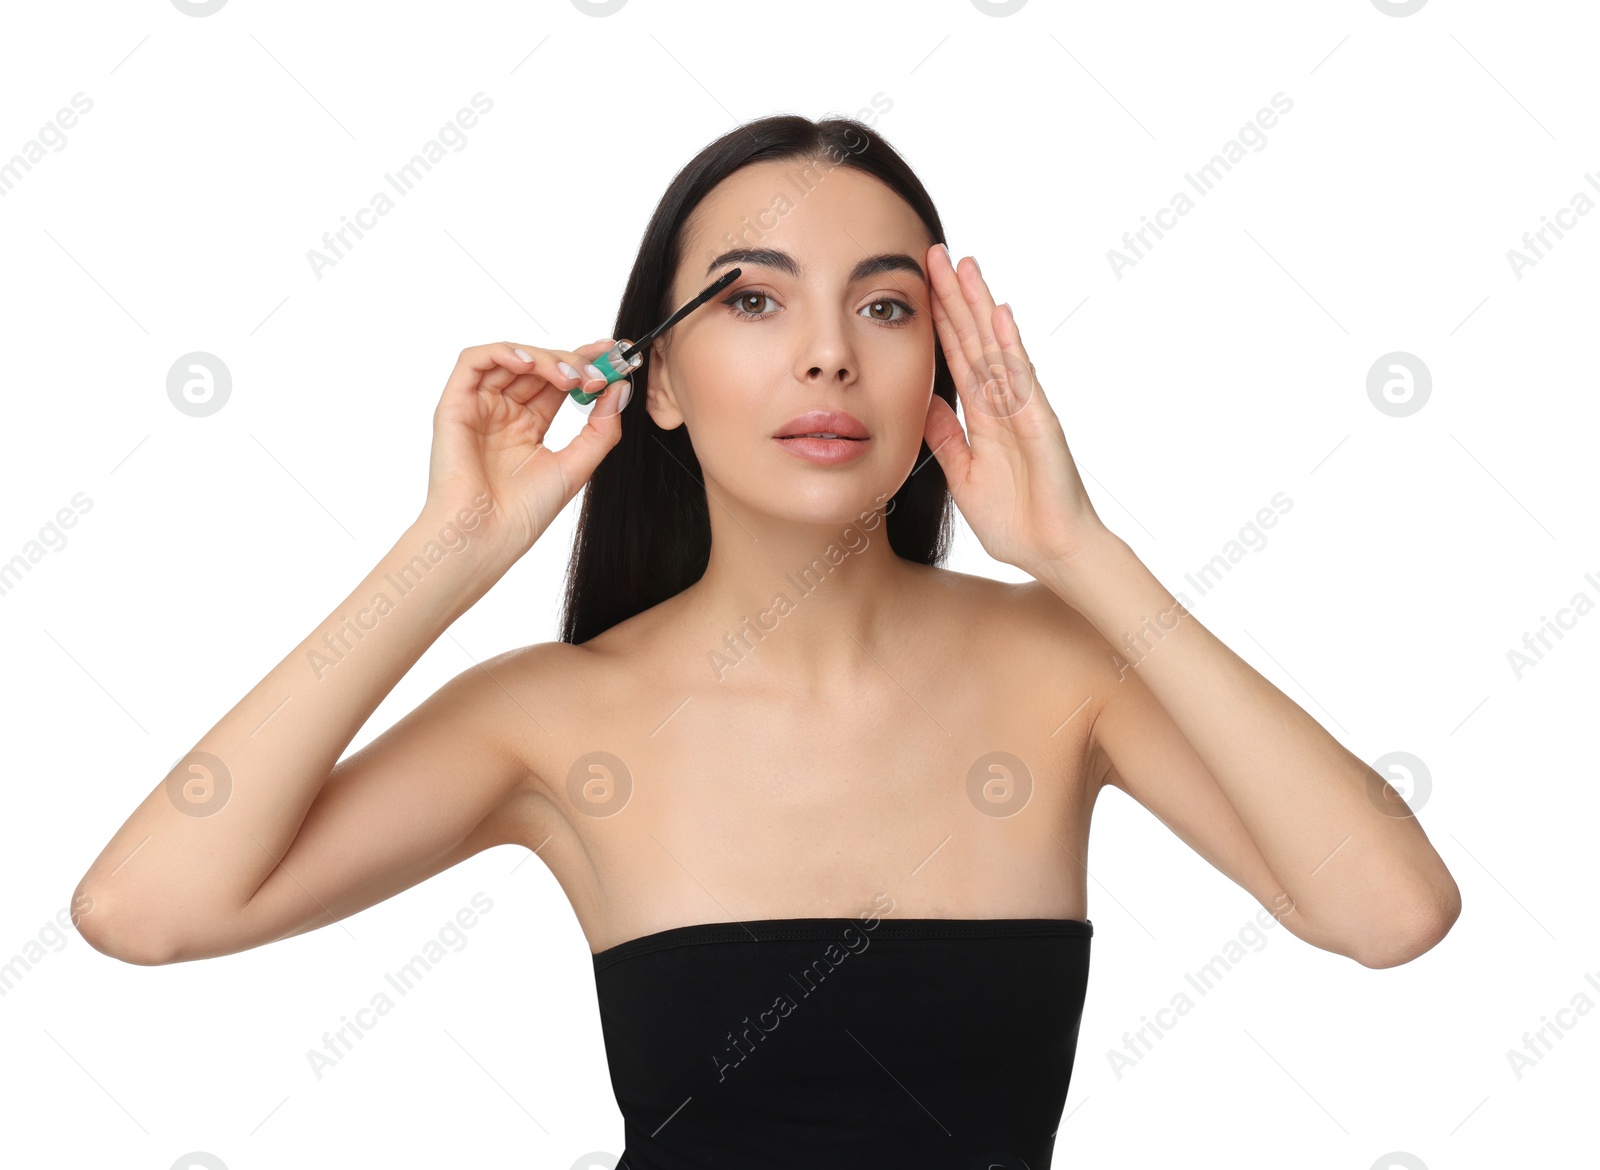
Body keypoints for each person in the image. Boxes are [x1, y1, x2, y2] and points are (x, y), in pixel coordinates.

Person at [72, 114, 1461, 1168]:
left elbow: (1391, 911)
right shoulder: (552, 720)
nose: (826, 355)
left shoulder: (1065, 667)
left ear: (945, 366)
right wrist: (448, 551)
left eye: (884, 304)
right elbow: (147, 910)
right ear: (658, 377)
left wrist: (1084, 555)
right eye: (751, 299)